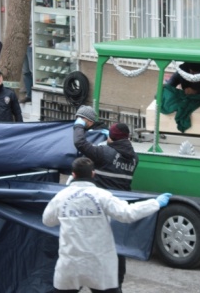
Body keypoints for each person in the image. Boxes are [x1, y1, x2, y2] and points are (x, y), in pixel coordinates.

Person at [42, 157, 171, 293]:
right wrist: (155, 203)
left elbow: (47, 220)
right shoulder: (102, 196)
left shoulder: (61, 197)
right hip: (99, 264)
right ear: (93, 174)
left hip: (70, 264)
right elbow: (127, 213)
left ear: (73, 175)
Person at [73, 106, 138, 289]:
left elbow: (80, 143)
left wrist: (79, 126)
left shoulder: (104, 154)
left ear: (112, 138)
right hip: (119, 208)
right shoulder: (134, 158)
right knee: (117, 248)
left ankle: (80, 282)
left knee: (91, 247)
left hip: (100, 209)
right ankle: (116, 284)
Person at [20, 37, 33, 103]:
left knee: (33, 71)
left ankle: (33, 95)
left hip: (32, 45)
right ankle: (29, 95)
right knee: (25, 71)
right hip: (23, 46)